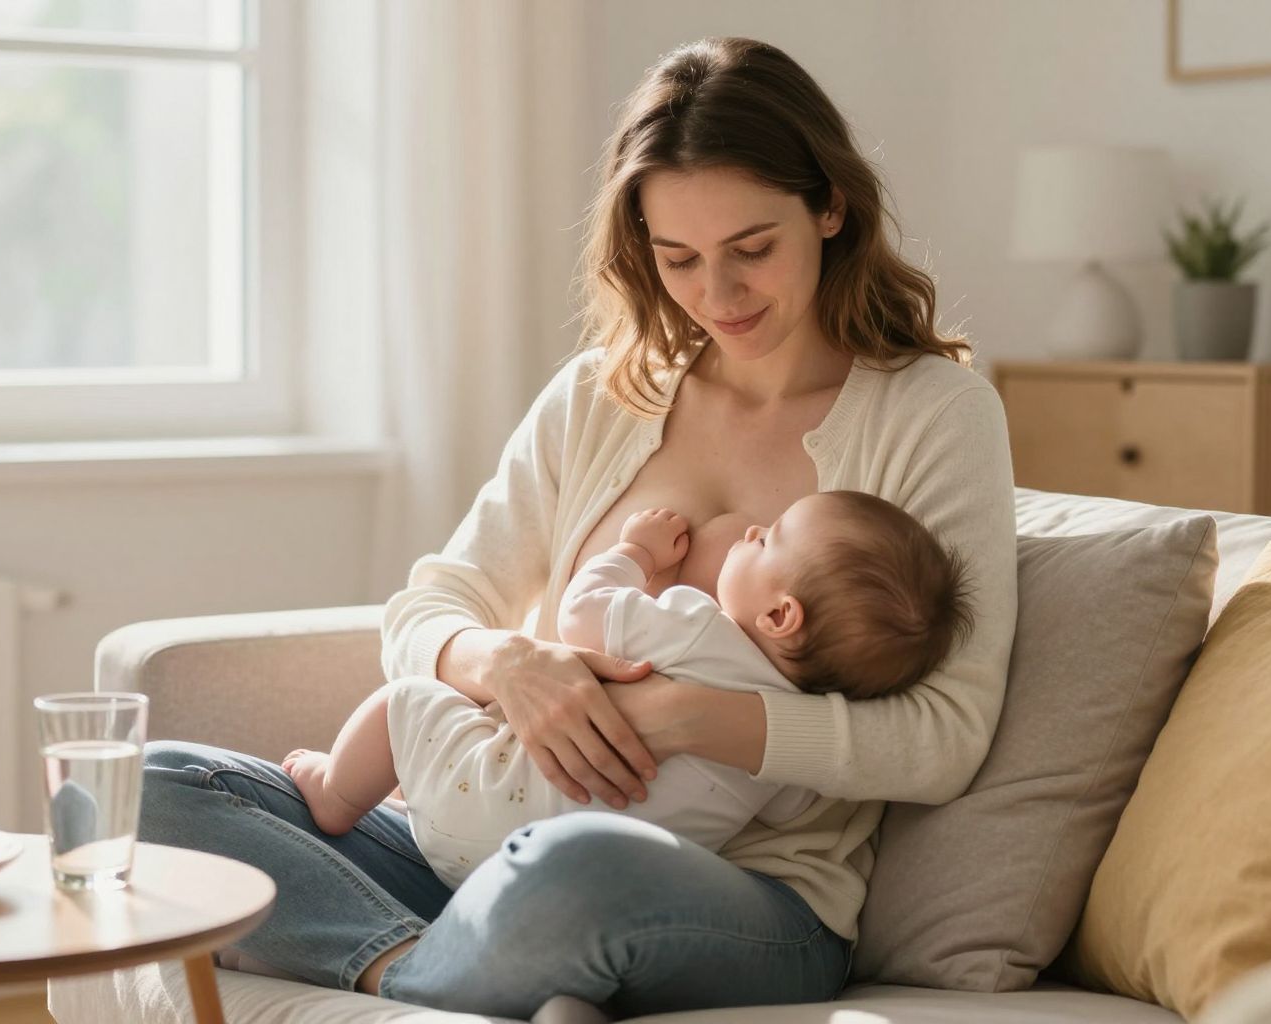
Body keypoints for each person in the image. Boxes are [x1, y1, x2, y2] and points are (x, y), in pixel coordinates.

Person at [137, 35, 1018, 1019]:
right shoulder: (603, 397)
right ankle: (423, 970)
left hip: (730, 895)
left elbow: (944, 740)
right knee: (152, 786)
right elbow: (432, 604)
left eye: (752, 251)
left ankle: (448, 965)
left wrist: (682, 716)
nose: (716, 297)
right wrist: (503, 665)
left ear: (829, 207)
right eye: (678, 258)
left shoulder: (932, 413)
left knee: (577, 870)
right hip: (492, 841)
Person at [280, 491, 975, 890]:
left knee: (406, 702)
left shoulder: (697, 628)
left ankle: (337, 794)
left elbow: (586, 609)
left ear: (779, 616)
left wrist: (637, 555)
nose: (755, 529)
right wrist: (501, 661)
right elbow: (791, 804)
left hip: (493, 810)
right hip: (567, 885)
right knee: (177, 781)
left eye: (771, 540)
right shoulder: (791, 756)